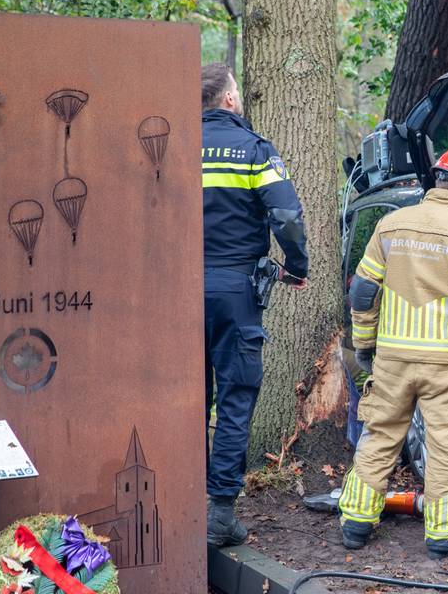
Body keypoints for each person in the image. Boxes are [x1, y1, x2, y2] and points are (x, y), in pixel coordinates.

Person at [338, 146, 448, 559]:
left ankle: (356, 524)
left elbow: (362, 293)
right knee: (444, 447)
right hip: (444, 367)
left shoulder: (390, 225)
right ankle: (444, 538)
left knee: (379, 437)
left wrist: (365, 344)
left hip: (393, 360)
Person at [201, 63, 309, 546]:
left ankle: (182, 504)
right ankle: (220, 514)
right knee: (236, 396)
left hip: (178, 291)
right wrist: (297, 266)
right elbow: (286, 214)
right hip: (235, 290)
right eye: (237, 91)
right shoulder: (253, 149)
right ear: (228, 99)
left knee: (187, 400)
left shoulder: (175, 145)